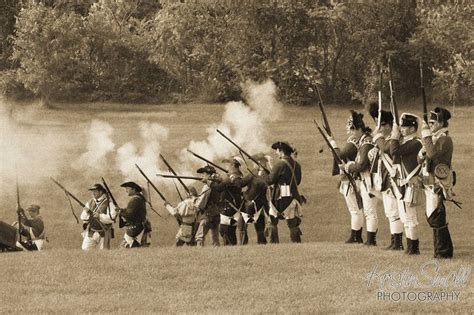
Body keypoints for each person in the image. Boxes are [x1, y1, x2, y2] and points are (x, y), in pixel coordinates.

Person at [418, 107, 455, 258]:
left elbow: (433, 155)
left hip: (439, 181)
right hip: (429, 180)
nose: (430, 125)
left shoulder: (445, 139)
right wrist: (421, 153)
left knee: (436, 216)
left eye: (432, 122)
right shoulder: (434, 139)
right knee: (432, 215)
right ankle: (440, 251)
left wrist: (426, 135)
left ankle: (444, 252)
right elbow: (421, 159)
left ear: (441, 123)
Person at [369, 104, 405, 250]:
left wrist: (376, 136)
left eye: (383, 125)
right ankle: (394, 241)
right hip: (386, 179)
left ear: (391, 125)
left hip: (394, 179)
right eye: (379, 125)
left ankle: (398, 243)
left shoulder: (394, 139)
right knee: (391, 211)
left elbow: (386, 149)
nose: (381, 129)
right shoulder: (386, 139)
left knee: (395, 212)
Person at [343, 111, 379, 246]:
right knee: (368, 211)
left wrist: (349, 167)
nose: (351, 134)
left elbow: (362, 164)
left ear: (359, 129)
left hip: (368, 180)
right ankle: (369, 239)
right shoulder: (364, 141)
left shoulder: (366, 143)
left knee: (370, 211)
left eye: (352, 130)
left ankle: (371, 240)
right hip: (365, 180)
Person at [390, 113, 423, 255]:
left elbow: (394, 150)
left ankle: (413, 248)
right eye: (401, 127)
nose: (402, 129)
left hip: (409, 185)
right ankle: (411, 246)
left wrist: (394, 135)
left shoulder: (415, 143)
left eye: (404, 127)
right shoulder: (408, 142)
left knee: (410, 218)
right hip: (403, 184)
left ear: (412, 128)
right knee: (405, 217)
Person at [328, 121, 365, 244]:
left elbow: (340, 155)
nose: (351, 131)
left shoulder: (353, 142)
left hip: (351, 180)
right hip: (353, 179)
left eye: (353, 129)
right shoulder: (356, 140)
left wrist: (332, 143)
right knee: (356, 210)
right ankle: (357, 236)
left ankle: (355, 236)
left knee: (355, 210)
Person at [266, 141, 303, 243]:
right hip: (292, 198)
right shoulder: (297, 165)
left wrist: (265, 173)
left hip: (279, 198)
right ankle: (296, 243)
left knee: (273, 221)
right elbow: (298, 181)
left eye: (277, 150)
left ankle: (274, 243)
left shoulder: (280, 164)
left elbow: (270, 180)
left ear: (281, 151)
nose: (276, 153)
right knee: (291, 223)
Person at [238, 153, 271, 245]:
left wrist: (234, 177)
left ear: (259, 163)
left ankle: (244, 245)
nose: (253, 164)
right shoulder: (264, 174)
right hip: (260, 205)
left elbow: (241, 184)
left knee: (243, 227)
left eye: (254, 162)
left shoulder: (256, 174)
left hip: (252, 205)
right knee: (257, 228)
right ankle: (258, 245)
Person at [215, 157, 244, 246]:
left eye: (228, 164)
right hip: (232, 206)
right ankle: (232, 248)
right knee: (230, 231)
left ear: (233, 165)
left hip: (229, 206)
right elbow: (226, 184)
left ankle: (229, 248)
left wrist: (210, 183)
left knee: (224, 230)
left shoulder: (233, 176)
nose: (226, 166)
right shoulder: (235, 175)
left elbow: (219, 188)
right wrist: (220, 180)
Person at [80, 184, 116, 250]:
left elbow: (112, 218)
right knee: (85, 250)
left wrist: (99, 216)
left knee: (104, 253)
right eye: (92, 191)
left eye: (95, 191)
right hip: (91, 231)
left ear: (101, 192)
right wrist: (88, 214)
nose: (93, 193)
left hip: (104, 232)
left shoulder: (108, 203)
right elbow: (83, 217)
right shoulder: (90, 202)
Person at [194, 165, 221, 247]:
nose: (202, 175)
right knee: (215, 238)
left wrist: (195, 201)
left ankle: (200, 256)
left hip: (208, 215)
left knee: (199, 237)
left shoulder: (207, 187)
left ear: (209, 175)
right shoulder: (218, 184)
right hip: (216, 213)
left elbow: (200, 204)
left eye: (204, 174)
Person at [119, 181, 148, 248]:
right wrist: (122, 210)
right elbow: (133, 211)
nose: (126, 191)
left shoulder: (134, 200)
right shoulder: (140, 198)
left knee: (124, 249)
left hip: (135, 229)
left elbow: (129, 216)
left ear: (134, 189)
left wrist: (121, 212)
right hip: (140, 227)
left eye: (127, 188)